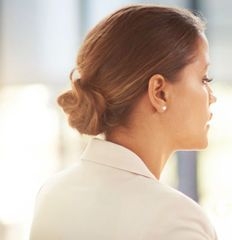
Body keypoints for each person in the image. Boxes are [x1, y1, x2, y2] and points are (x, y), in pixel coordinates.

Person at [30, 5, 217, 239]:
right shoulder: (176, 218)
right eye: (204, 79)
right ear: (159, 92)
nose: (212, 96)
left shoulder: (52, 193)